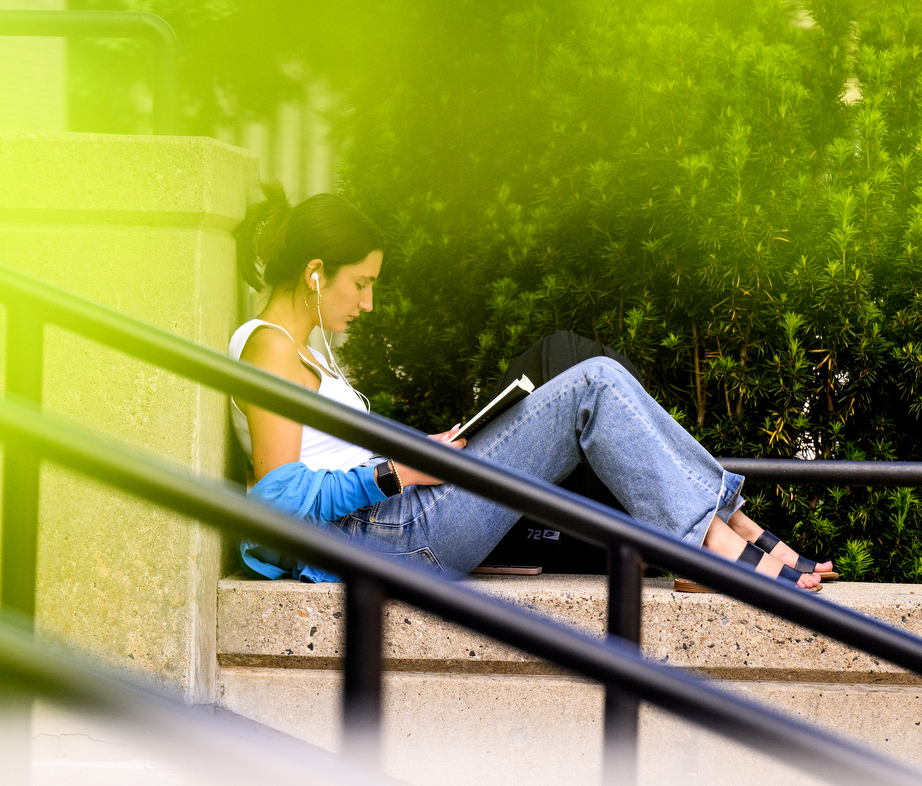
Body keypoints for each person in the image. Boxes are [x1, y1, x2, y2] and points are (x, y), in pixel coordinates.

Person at [229, 183, 832, 589]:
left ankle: (720, 530)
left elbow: (323, 464)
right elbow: (277, 499)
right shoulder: (268, 348)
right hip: (393, 535)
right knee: (591, 383)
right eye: (360, 283)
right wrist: (399, 472)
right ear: (315, 273)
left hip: (397, 520)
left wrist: (417, 451)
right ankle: (715, 543)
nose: (368, 302)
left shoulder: (297, 351)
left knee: (582, 372)